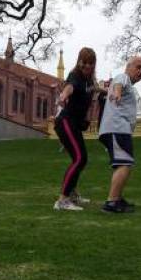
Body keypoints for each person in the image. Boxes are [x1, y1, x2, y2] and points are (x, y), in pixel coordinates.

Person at [99, 55, 141, 213]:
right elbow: (119, 85)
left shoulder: (127, 84)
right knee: (124, 164)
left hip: (118, 129)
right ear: (128, 66)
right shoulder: (123, 77)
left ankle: (117, 198)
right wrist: (118, 93)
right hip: (117, 128)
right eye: (138, 67)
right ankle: (112, 202)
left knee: (122, 164)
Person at [53, 47, 97, 211]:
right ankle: (62, 200)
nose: (87, 66)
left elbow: (94, 91)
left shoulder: (90, 81)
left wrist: (107, 90)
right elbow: (69, 87)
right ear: (79, 62)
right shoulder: (75, 76)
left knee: (80, 159)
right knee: (80, 159)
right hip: (65, 121)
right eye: (84, 62)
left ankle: (71, 193)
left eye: (90, 63)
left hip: (74, 124)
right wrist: (64, 95)